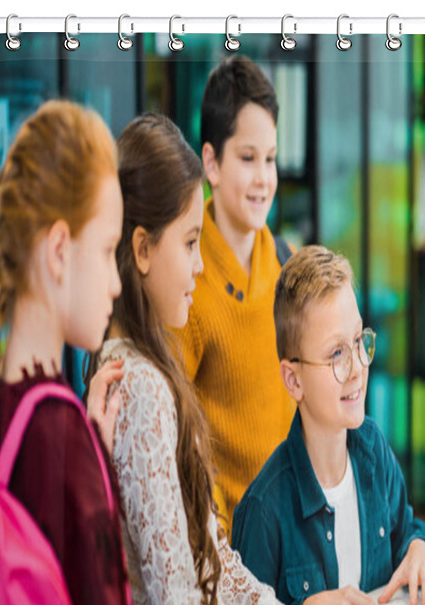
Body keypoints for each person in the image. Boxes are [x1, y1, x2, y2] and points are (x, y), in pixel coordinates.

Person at [89, 114, 362, 605]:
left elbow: (206, 549)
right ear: (140, 250)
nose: (201, 266)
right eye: (189, 243)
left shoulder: (151, 365)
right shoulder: (141, 389)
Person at [0, 100, 169, 605]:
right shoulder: (61, 437)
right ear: (59, 251)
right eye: (109, 247)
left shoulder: (2, 408)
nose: (117, 280)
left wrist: (94, 441)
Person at [233, 246, 425, 605]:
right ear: (294, 380)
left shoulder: (373, 450)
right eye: (336, 353)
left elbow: (406, 528)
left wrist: (419, 546)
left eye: (359, 341)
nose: (358, 367)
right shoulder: (263, 512)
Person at [173, 55, 295, 531]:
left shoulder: (287, 263)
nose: (264, 178)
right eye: (248, 159)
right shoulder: (185, 284)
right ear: (211, 163)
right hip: (231, 561)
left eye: (270, 159)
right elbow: (178, 449)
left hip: (295, 545)